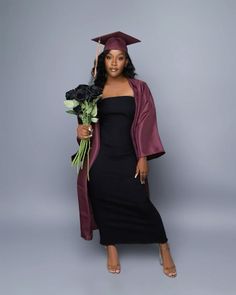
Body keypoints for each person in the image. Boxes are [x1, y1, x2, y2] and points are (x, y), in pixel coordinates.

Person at [76, 31, 177, 277]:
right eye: (109, 57)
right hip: (100, 158)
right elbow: (85, 127)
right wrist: (81, 131)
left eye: (119, 58)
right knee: (103, 201)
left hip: (129, 156)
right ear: (103, 60)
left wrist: (142, 156)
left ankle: (163, 246)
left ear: (126, 61)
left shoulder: (139, 89)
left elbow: (146, 122)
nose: (113, 63)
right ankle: (111, 247)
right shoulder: (94, 90)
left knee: (139, 202)